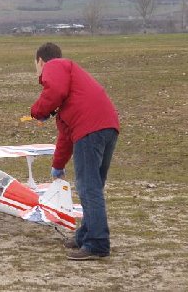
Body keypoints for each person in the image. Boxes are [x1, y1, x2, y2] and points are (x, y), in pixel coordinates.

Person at [30, 42, 120, 260]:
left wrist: (38, 111)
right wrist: (57, 166)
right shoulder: (73, 94)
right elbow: (65, 136)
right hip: (107, 127)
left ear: (41, 61)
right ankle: (85, 235)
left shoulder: (55, 65)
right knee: (93, 186)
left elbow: (55, 91)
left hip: (91, 130)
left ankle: (97, 244)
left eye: (36, 66)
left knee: (89, 188)